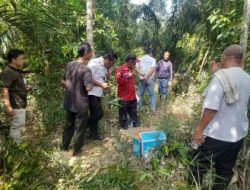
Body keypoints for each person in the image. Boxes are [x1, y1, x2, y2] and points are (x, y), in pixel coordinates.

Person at [189, 45, 250, 190]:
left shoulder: (220, 78)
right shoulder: (247, 78)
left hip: (216, 136)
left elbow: (211, 109)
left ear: (225, 57)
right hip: (237, 136)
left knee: (196, 166)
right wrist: (216, 72)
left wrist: (199, 130)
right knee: (224, 171)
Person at [61, 42, 93, 156]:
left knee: (69, 125)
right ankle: (77, 150)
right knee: (80, 128)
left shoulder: (69, 64)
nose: (91, 54)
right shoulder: (86, 69)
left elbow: (63, 80)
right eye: (90, 52)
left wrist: (71, 87)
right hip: (81, 104)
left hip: (69, 102)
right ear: (85, 53)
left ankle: (64, 147)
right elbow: (88, 88)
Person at [0, 49, 28, 144]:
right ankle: (15, 151)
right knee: (16, 128)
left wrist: (26, 88)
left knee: (20, 127)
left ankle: (17, 149)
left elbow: (15, 87)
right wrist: (8, 106)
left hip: (21, 103)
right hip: (15, 104)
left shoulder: (16, 71)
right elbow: (5, 89)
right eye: (21, 59)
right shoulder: (7, 72)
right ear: (13, 60)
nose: (23, 60)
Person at [87, 52, 117, 139]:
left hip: (98, 93)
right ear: (107, 60)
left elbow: (103, 78)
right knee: (98, 114)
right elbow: (88, 77)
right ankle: (82, 124)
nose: (112, 65)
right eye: (111, 63)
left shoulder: (105, 66)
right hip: (91, 93)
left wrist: (108, 73)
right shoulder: (94, 63)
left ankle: (94, 135)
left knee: (94, 114)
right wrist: (101, 85)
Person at [115, 54, 140, 129]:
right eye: (134, 63)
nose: (135, 64)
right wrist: (127, 76)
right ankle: (123, 128)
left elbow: (131, 83)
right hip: (124, 97)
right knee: (123, 114)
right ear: (130, 62)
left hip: (132, 96)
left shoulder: (131, 69)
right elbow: (119, 82)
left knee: (134, 113)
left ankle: (136, 126)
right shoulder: (120, 69)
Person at [136, 48, 156, 113]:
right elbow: (152, 69)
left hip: (142, 79)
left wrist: (143, 75)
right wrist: (146, 76)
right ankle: (153, 109)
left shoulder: (139, 59)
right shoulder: (153, 59)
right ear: (150, 53)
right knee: (152, 95)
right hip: (150, 79)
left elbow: (137, 69)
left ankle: (138, 109)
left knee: (140, 94)